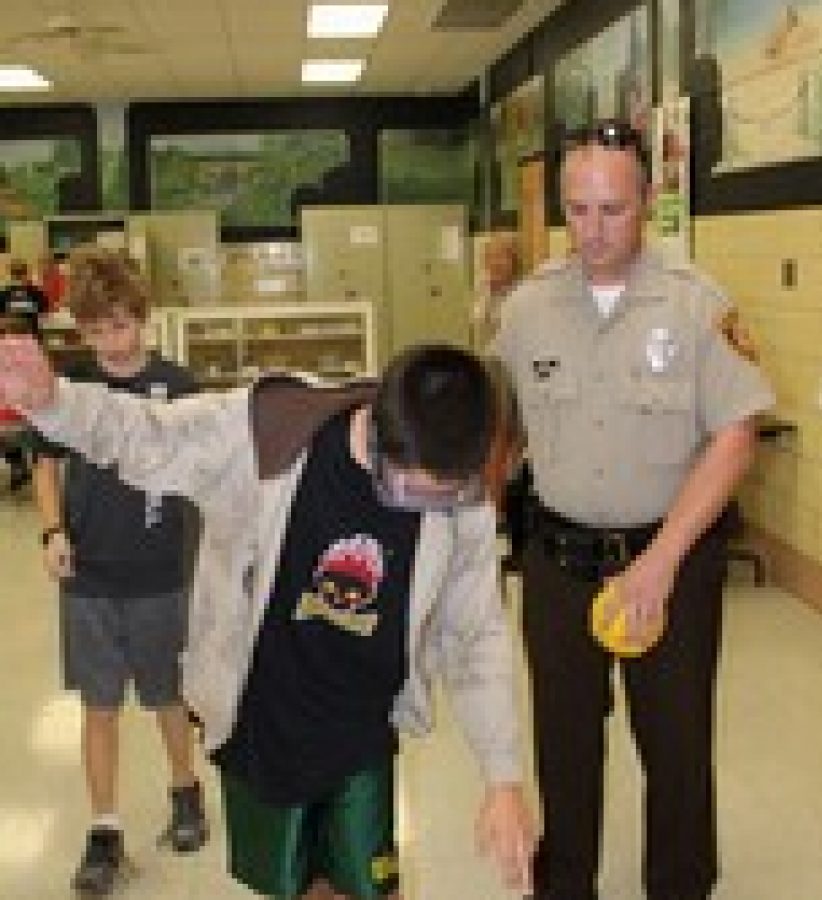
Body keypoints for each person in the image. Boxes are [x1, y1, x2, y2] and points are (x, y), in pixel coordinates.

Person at [0, 333, 535, 899]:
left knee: (373, 889)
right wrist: (53, 400)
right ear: (378, 435)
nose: (426, 511)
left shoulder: (461, 493)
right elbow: (146, 435)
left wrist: (502, 776)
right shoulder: (268, 431)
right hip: (263, 718)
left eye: (443, 498)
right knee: (291, 889)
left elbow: (476, 633)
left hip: (363, 727)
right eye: (410, 492)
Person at [490, 120, 775, 900]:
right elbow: (502, 429)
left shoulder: (696, 306)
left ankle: (680, 887)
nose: (592, 230)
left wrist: (662, 559)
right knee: (565, 745)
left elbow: (735, 437)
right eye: (576, 210)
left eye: (612, 209)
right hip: (557, 564)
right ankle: (565, 885)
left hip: (670, 563)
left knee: (678, 750)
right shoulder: (525, 311)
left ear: (648, 199)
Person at [29, 247, 207, 896]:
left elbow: (206, 466)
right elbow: (45, 461)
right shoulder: (68, 389)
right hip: (90, 575)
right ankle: (104, 830)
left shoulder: (179, 385)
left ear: (143, 318)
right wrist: (52, 530)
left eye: (121, 326)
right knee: (98, 706)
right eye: (95, 331)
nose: (109, 342)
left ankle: (185, 790)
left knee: (167, 695)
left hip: (161, 571)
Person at [0, 259, 49, 490]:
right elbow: (47, 313)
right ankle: (37, 465)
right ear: (27, 271)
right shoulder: (36, 293)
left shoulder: (4, 294)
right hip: (30, 417)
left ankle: (16, 463)